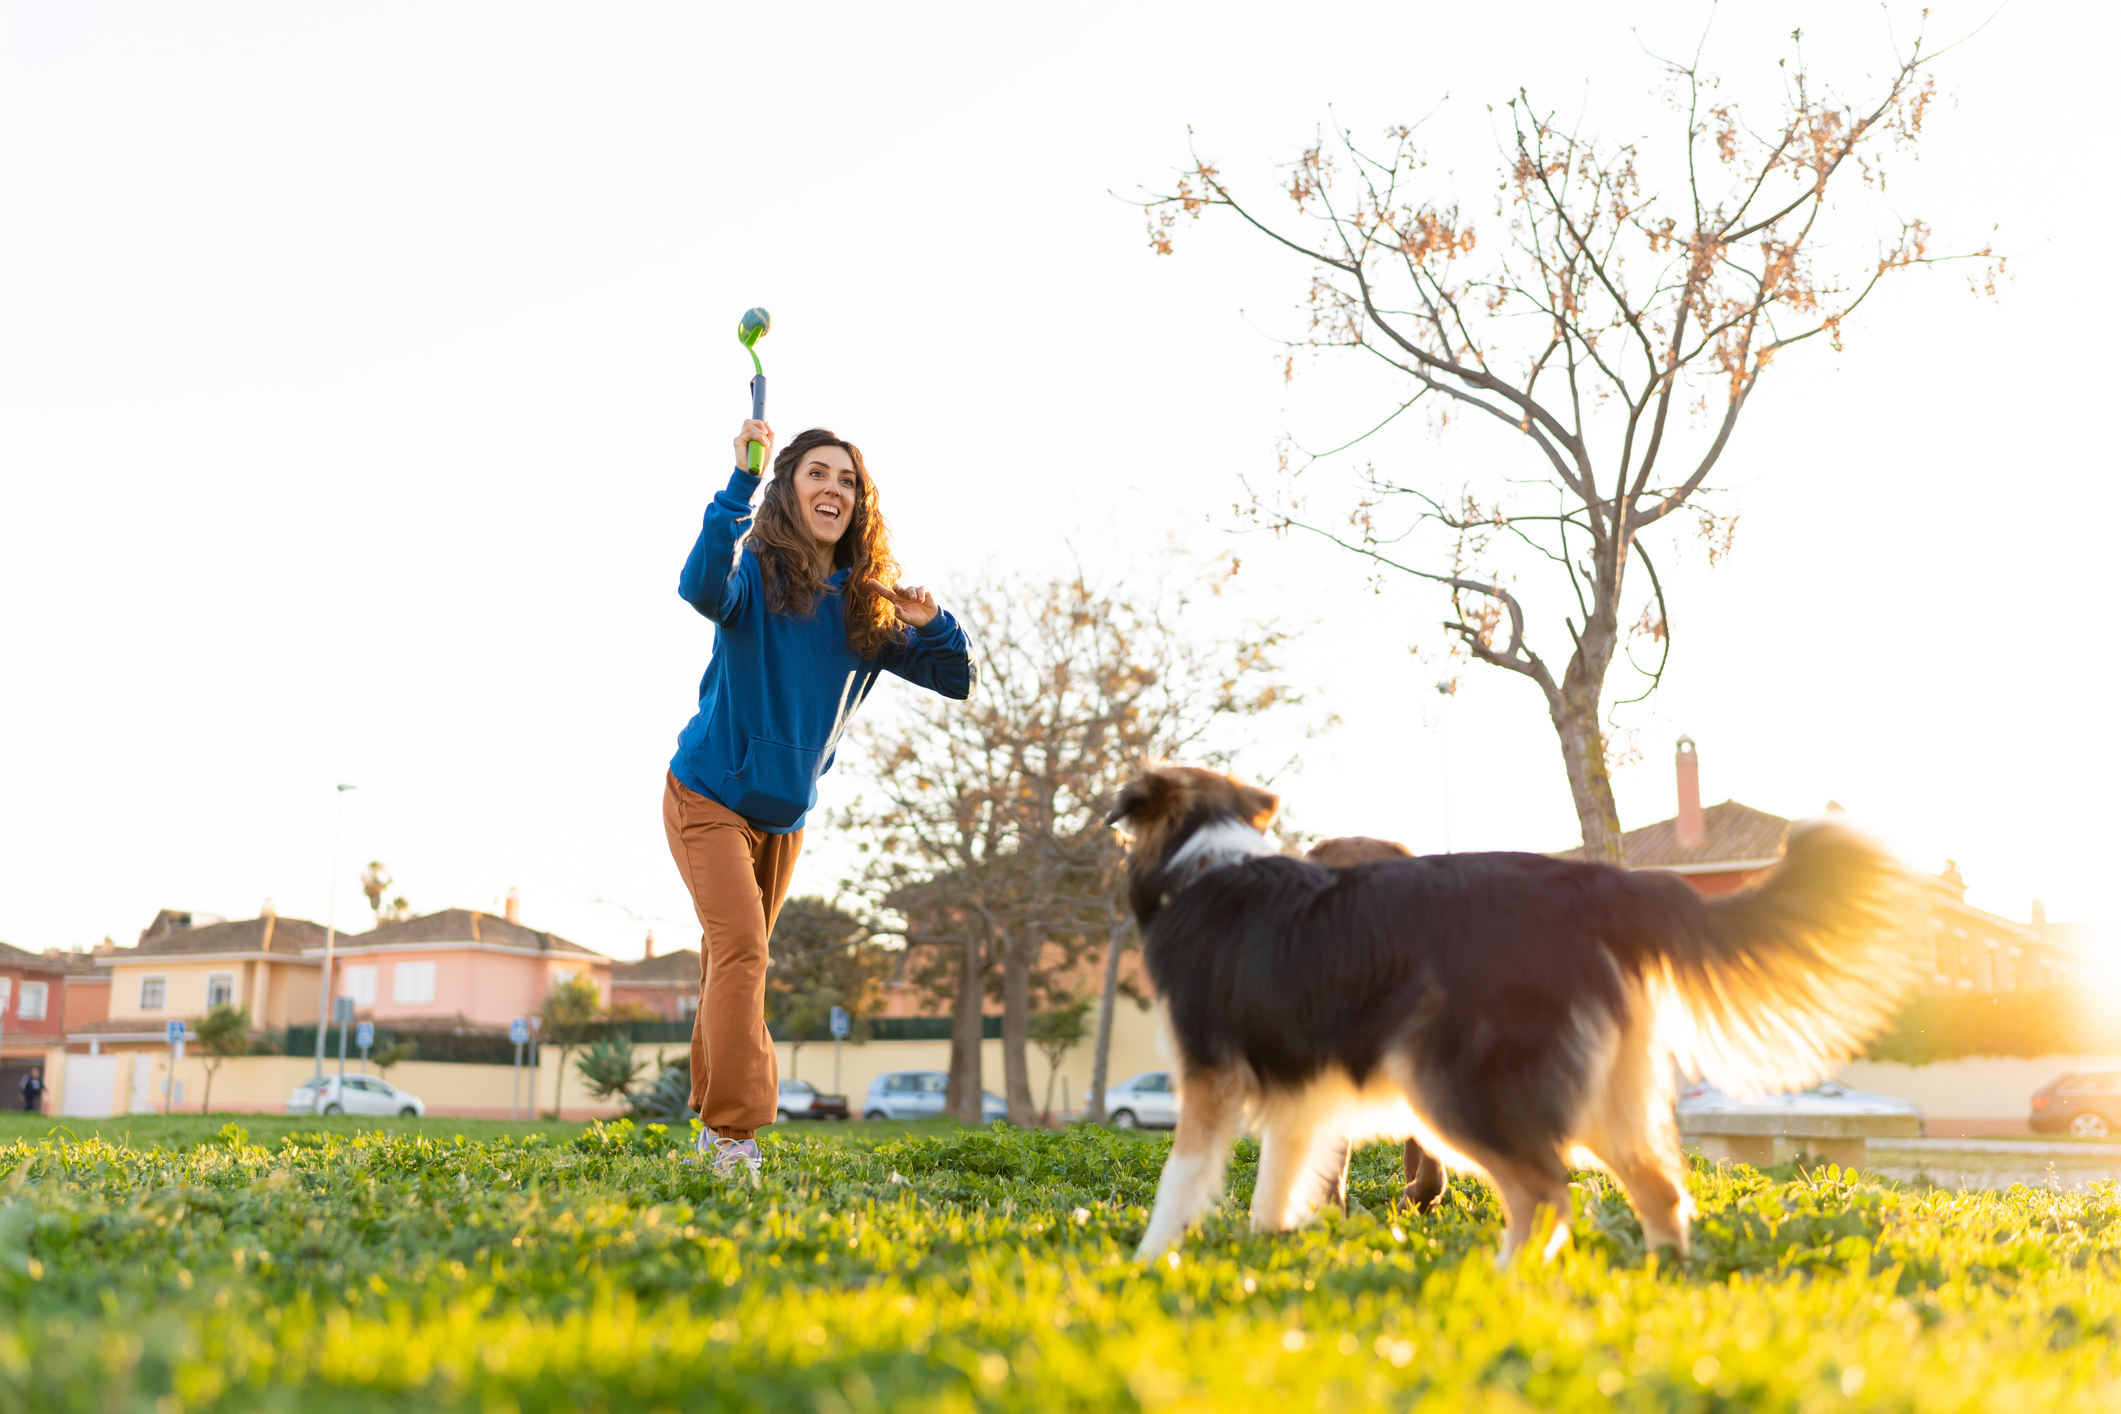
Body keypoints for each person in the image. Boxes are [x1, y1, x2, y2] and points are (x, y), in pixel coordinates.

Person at [665, 420, 975, 1176]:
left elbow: (955, 677)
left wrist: (931, 623)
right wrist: (737, 483)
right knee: (743, 950)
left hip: (782, 816)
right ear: (788, 488)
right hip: (706, 792)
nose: (832, 489)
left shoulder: (863, 607)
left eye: (847, 481)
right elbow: (699, 585)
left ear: (858, 504)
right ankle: (736, 1138)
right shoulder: (756, 575)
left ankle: (711, 1124)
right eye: (816, 475)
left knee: (725, 961)